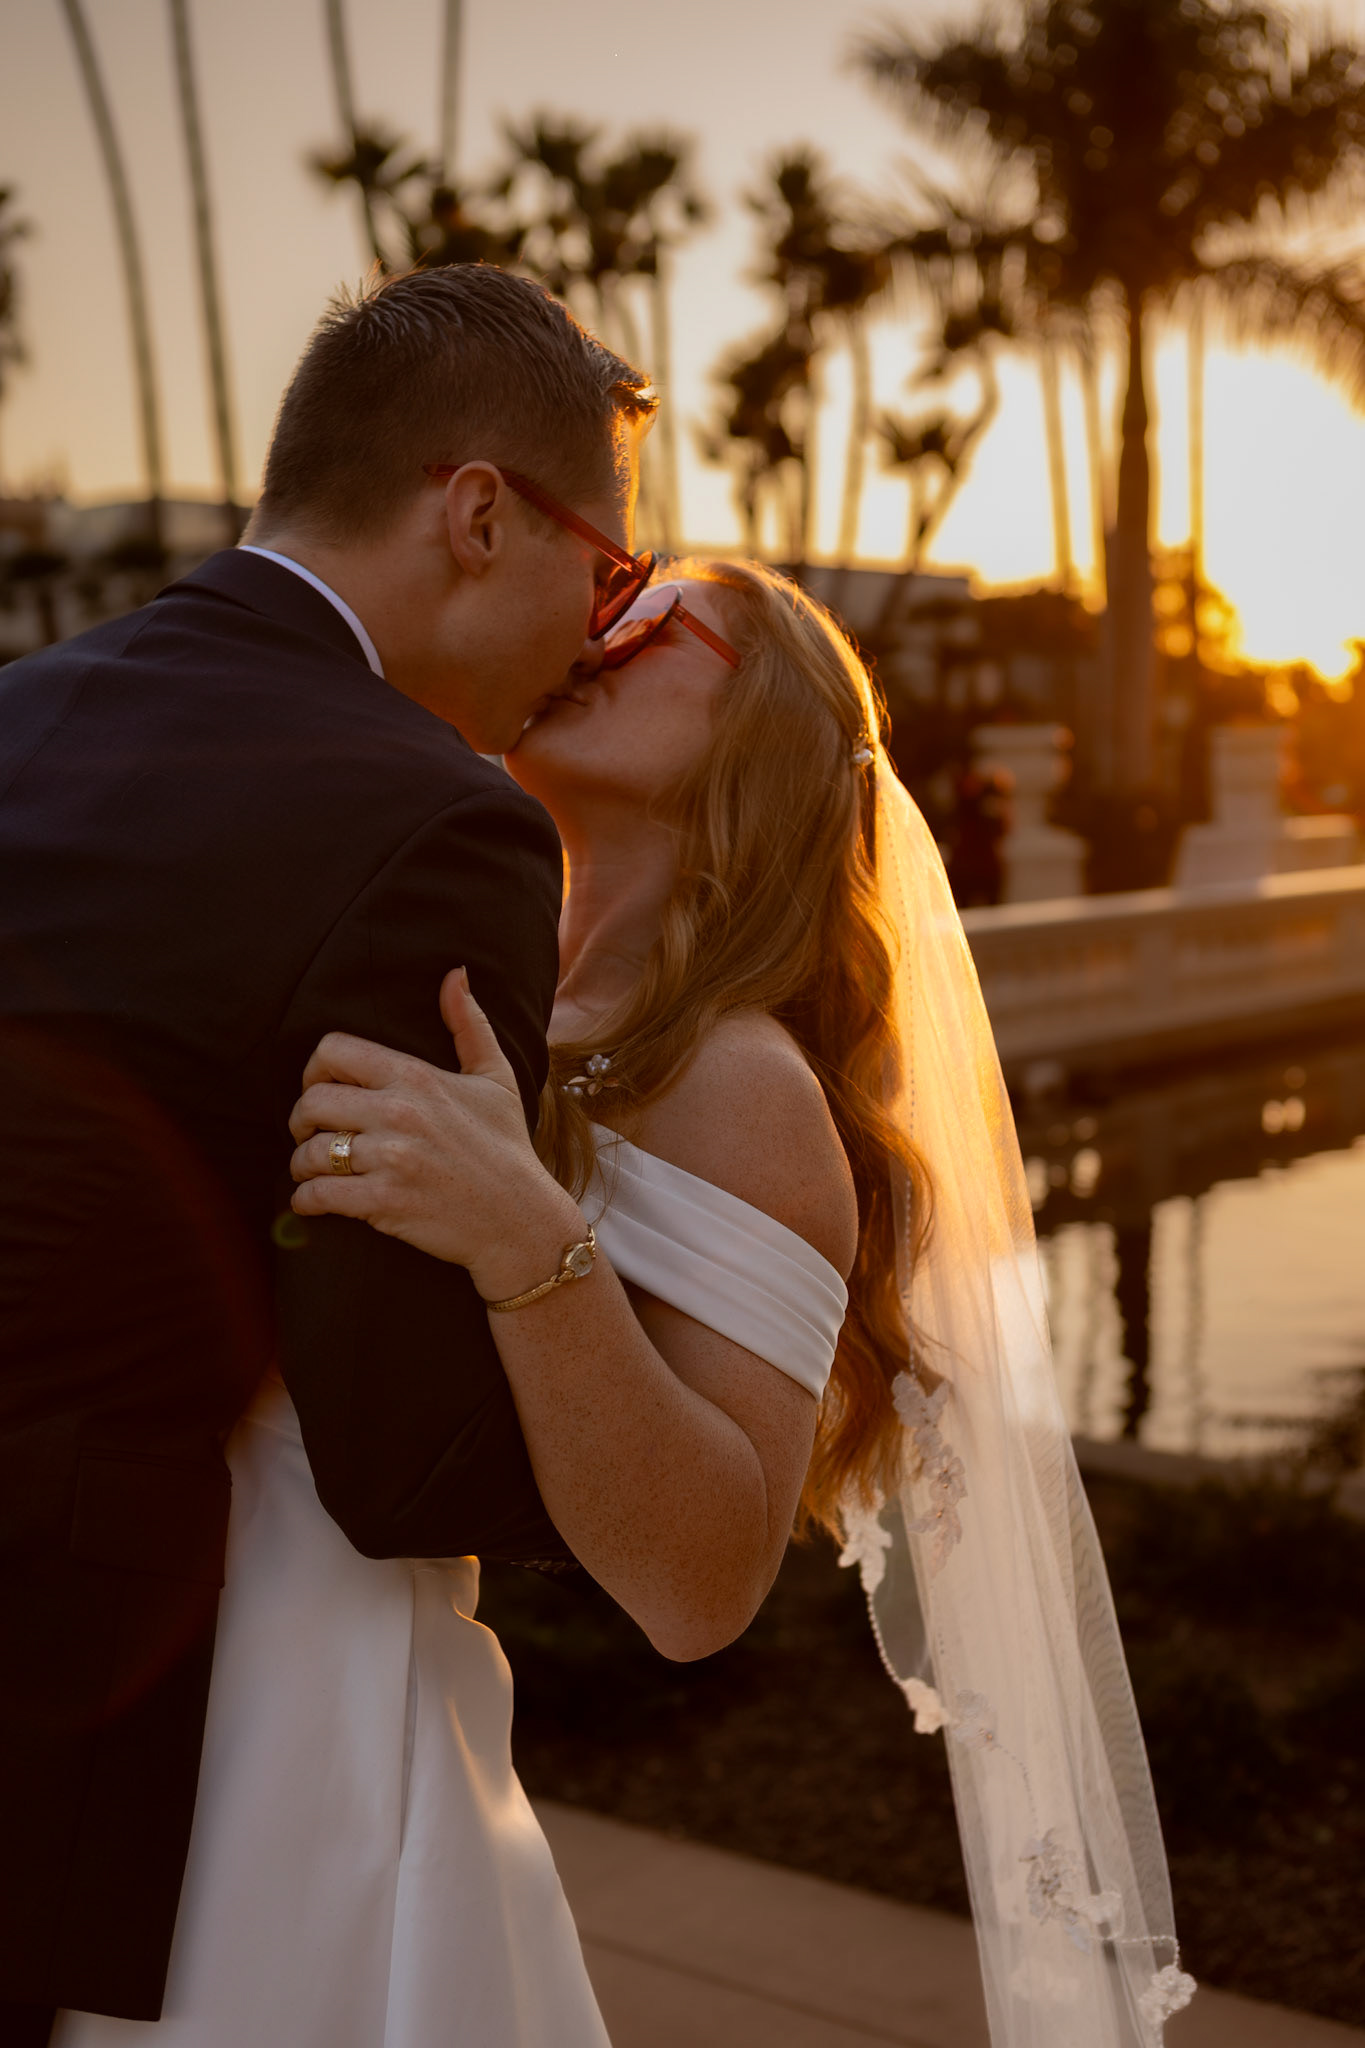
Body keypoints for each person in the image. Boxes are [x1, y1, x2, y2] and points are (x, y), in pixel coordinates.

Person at [285, 560, 1199, 2048]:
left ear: (762, 731)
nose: (599, 625)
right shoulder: (497, 980)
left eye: (653, 619)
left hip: (357, 1718)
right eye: (601, 601)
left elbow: (704, 1586)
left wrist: (524, 1235)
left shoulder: (740, 1084)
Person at [0, 264, 657, 2046]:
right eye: (607, 572)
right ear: (475, 515)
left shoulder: (20, 708)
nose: (602, 632)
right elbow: (400, 1453)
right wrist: (658, 1428)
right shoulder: (433, 818)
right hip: (66, 1697)